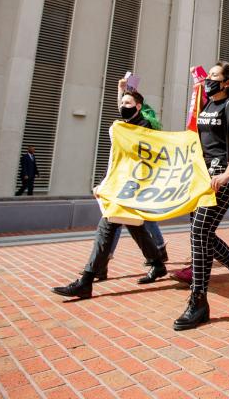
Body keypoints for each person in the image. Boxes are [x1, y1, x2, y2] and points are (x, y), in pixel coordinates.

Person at [51, 84, 167, 299]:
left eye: (128, 103)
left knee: (107, 227)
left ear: (138, 107)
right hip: (120, 187)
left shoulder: (144, 130)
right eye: (122, 103)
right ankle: (157, 263)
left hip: (133, 188)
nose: (123, 106)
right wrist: (105, 184)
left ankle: (86, 280)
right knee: (135, 227)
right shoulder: (123, 127)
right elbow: (117, 162)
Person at [172, 62, 229, 331]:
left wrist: (227, 174)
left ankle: (198, 301)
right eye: (208, 76)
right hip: (202, 176)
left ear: (227, 82)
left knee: (200, 230)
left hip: (224, 176)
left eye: (214, 76)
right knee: (201, 233)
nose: (209, 80)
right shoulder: (206, 105)